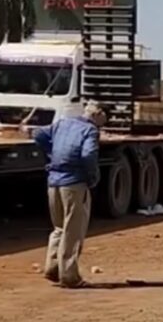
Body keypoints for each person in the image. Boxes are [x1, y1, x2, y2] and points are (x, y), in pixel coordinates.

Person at [29, 101, 106, 288]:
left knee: (59, 228)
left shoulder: (63, 123)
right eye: (105, 117)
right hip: (74, 183)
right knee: (73, 229)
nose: (104, 123)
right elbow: (88, 156)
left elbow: (37, 133)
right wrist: (92, 177)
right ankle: (70, 276)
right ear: (99, 114)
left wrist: (52, 152)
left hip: (54, 181)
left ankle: (53, 267)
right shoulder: (90, 131)